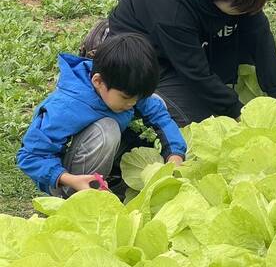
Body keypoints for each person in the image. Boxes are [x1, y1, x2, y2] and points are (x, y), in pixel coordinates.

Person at [108, 0, 276, 126]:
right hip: (145, 53)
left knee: (243, 59)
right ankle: (151, 100)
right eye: (240, 9)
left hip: (190, 38)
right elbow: (195, 72)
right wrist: (240, 114)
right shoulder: (173, 6)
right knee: (201, 117)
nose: (246, 13)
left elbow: (260, 36)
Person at [16, 33, 186, 197]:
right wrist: (69, 180)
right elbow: (30, 156)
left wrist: (175, 153)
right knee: (107, 130)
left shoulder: (121, 85)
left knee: (156, 101)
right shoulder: (66, 106)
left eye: (138, 98)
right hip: (66, 180)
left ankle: (108, 182)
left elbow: (159, 116)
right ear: (97, 81)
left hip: (97, 156)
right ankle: (77, 197)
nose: (132, 103)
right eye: (126, 98)